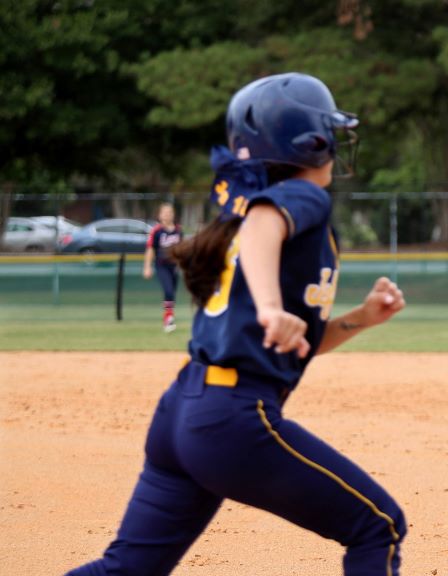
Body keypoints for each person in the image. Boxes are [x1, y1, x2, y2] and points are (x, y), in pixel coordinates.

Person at [67, 73, 407, 576]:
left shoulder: (250, 214)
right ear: (310, 143)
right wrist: (271, 307)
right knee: (378, 526)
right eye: (330, 132)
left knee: (126, 569)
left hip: (183, 411)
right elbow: (265, 222)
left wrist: (359, 318)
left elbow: (293, 343)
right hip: (230, 420)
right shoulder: (298, 197)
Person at [143, 202, 183, 332]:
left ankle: (169, 315)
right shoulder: (157, 231)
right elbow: (150, 249)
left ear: (173, 214)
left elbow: (182, 249)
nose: (167, 215)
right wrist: (147, 266)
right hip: (162, 266)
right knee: (168, 290)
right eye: (164, 212)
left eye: (170, 212)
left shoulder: (178, 230)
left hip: (174, 266)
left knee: (172, 294)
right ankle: (168, 317)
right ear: (159, 215)